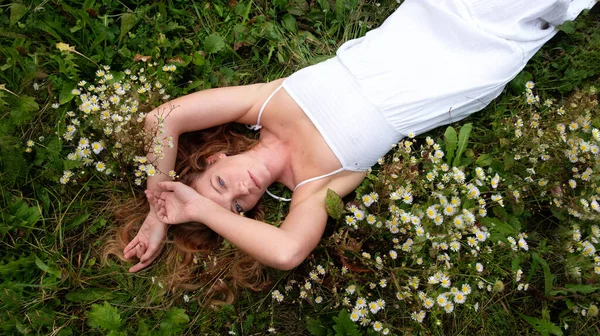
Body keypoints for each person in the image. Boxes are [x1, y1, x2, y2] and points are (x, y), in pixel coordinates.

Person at [120, 0, 596, 287]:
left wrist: (156, 206)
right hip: (467, 65)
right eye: (236, 207)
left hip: (427, 22)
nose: (240, 190)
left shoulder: (261, 106)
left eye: (219, 181)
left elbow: (165, 116)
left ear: (216, 156)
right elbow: (286, 252)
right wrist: (204, 212)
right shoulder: (314, 187)